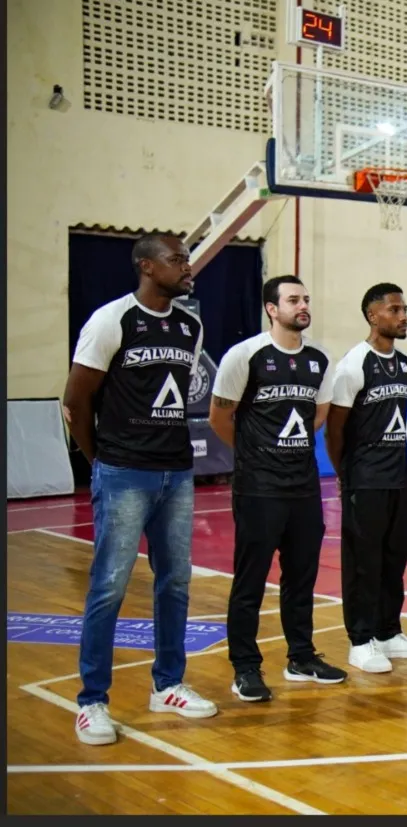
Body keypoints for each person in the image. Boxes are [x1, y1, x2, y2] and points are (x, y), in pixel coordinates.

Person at [62, 233, 217, 744]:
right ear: (147, 266)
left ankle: (167, 684)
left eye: (187, 259)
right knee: (109, 587)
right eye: (177, 260)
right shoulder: (112, 320)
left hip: (177, 473)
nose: (187, 267)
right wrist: (101, 462)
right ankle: (92, 702)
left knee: (175, 583)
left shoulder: (191, 326)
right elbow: (75, 401)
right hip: (124, 472)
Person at [209, 275, 345, 702]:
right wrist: (253, 452)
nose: (303, 306)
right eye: (293, 300)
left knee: (301, 578)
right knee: (250, 581)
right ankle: (245, 667)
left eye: (306, 299)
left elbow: (318, 415)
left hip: (303, 487)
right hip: (258, 488)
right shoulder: (245, 355)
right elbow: (219, 417)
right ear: (272, 308)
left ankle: (301, 657)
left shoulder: (319, 359)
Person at [325, 283, 407, 671]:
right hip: (364, 478)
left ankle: (389, 632)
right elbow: (335, 430)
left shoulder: (406, 365)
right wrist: (346, 474)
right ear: (373, 316)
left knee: (393, 557)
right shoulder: (354, 364)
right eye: (394, 310)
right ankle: (360, 640)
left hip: (397, 477)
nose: (403, 317)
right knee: (363, 562)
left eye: (404, 309)